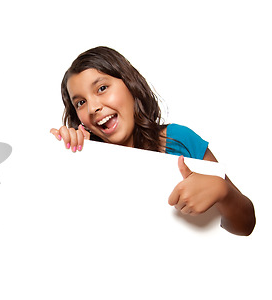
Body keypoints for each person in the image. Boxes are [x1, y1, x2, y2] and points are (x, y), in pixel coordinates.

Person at [50, 46, 255, 236]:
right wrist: (66, 155)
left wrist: (223, 191)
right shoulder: (82, 157)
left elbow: (245, 226)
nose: (92, 107)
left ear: (130, 85)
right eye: (80, 102)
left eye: (102, 88)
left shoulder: (179, 139)